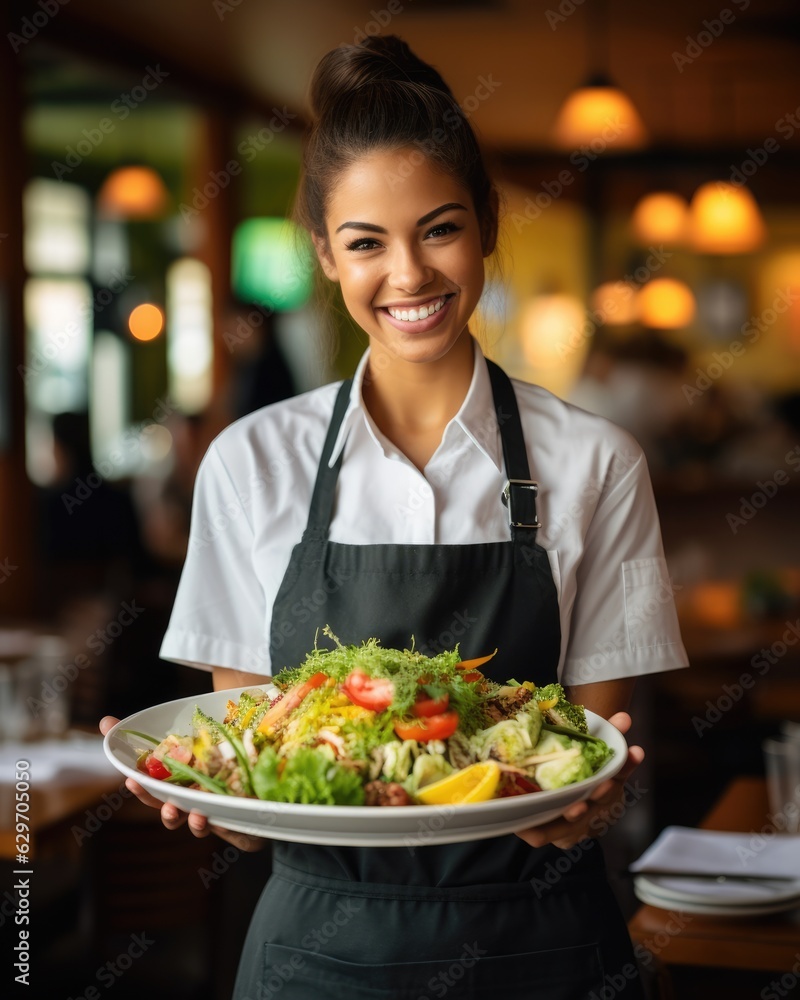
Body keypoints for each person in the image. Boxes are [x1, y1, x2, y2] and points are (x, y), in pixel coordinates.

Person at [101, 35, 689, 999]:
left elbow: (599, 757)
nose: (408, 274)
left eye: (440, 228)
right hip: (315, 959)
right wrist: (201, 788)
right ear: (328, 256)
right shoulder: (251, 465)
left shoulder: (597, 462)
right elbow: (253, 781)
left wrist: (582, 809)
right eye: (367, 242)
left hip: (540, 947)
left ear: (488, 224)